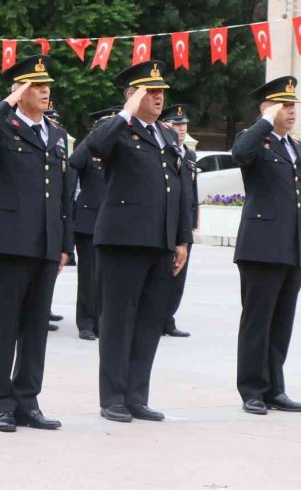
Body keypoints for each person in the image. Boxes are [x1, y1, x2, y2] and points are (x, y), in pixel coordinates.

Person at [0, 55, 73, 433]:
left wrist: (66, 244)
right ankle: (0, 402)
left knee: (35, 327)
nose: (45, 91)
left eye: (47, 85)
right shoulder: (3, 126)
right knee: (5, 326)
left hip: (46, 242)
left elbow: (64, 193)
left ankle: (27, 400)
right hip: (8, 241)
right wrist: (8, 102)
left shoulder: (57, 134)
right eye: (35, 85)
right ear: (19, 90)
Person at [86, 61, 191, 424]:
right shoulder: (115, 129)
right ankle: (112, 397)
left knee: (149, 322)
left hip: (159, 242)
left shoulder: (165, 135)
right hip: (123, 240)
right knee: (117, 321)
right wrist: (125, 113)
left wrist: (181, 239)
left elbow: (178, 188)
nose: (160, 97)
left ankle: (136, 396)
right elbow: (89, 151)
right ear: (133, 95)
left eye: (162, 91)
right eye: (151, 91)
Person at [231, 76, 301, 416]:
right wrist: (264, 121)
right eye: (284, 105)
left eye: (293, 105)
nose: (291, 111)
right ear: (268, 108)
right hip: (261, 247)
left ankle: (274, 387)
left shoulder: (295, 148)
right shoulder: (255, 142)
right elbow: (240, 153)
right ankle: (252, 388)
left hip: (291, 249)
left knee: (281, 322)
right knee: (257, 321)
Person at [68, 109, 111, 341]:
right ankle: (86, 321)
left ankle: (103, 320)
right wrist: (91, 138)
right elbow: (74, 162)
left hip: (112, 223)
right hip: (88, 222)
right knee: (88, 276)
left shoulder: (117, 153)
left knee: (108, 277)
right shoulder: (88, 151)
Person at [159, 103, 199, 338]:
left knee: (179, 275)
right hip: (167, 221)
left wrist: (193, 219)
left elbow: (191, 191)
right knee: (163, 271)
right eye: (176, 124)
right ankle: (156, 317)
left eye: (183, 124)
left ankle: (168, 317)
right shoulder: (163, 151)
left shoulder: (189, 155)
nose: (181, 129)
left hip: (184, 223)